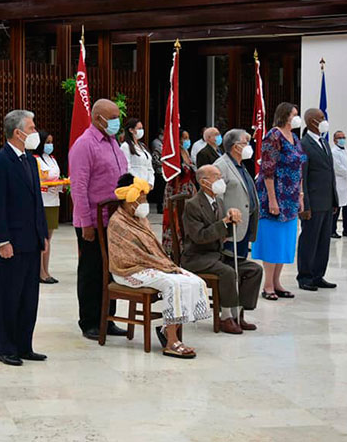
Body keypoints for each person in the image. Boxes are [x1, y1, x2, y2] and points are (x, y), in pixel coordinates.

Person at [109, 174, 210, 358]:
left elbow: (152, 249)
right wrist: (159, 264)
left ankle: (166, 328)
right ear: (128, 200)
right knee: (171, 284)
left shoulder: (140, 219)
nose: (144, 203)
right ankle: (172, 341)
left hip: (150, 265)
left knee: (193, 281)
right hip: (128, 270)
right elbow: (127, 256)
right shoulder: (118, 223)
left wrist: (162, 264)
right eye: (141, 199)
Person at [0, 110, 49, 366]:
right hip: (11, 242)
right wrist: (2, 240)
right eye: (32, 128)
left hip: (31, 240)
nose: (35, 133)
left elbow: (37, 202)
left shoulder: (30, 160)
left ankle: (25, 345)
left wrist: (42, 234)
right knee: (9, 296)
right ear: (18, 132)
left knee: (28, 297)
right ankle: (6, 348)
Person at [69, 98, 128, 341]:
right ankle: (90, 321)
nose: (116, 122)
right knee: (92, 272)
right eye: (112, 117)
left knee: (110, 272)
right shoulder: (85, 145)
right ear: (97, 118)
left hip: (115, 220)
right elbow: (79, 187)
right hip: (94, 220)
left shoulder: (113, 142)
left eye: (117, 117)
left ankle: (108, 318)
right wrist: (86, 224)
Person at [182, 165, 262, 334]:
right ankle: (225, 317)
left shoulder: (218, 200)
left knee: (253, 269)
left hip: (217, 254)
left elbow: (223, 230)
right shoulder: (193, 205)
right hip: (198, 257)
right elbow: (199, 237)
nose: (220, 181)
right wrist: (224, 223)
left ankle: (238, 312)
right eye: (216, 177)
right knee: (227, 272)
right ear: (204, 182)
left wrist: (232, 218)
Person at [251, 102, 306, 301]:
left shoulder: (295, 138)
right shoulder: (273, 136)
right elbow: (267, 170)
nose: (297, 118)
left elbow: (299, 167)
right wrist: (273, 200)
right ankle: (267, 285)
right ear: (285, 116)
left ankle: (277, 282)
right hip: (274, 195)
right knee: (273, 241)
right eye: (294, 114)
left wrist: (300, 195)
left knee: (285, 241)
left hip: (291, 196)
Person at [297, 109, 338, 292]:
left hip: (327, 201)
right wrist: (304, 204)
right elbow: (302, 176)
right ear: (312, 121)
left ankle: (318, 275)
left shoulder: (324, 142)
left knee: (323, 241)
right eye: (321, 118)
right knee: (309, 240)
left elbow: (330, 174)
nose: (324, 120)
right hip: (312, 201)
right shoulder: (304, 144)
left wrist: (334, 200)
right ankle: (305, 276)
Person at [214, 129, 258, 259]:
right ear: (236, 147)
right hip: (231, 228)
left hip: (244, 224)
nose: (248, 146)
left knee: (242, 261)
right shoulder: (221, 166)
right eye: (245, 143)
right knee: (231, 263)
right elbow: (217, 199)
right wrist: (222, 228)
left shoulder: (240, 165)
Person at [34, 130, 62, 284]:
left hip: (54, 200)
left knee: (49, 238)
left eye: (51, 142)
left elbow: (56, 177)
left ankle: (46, 269)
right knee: (42, 238)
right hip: (43, 201)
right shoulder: (36, 159)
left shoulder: (52, 159)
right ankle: (40, 272)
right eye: (47, 142)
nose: (49, 145)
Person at [162, 129, 197, 253]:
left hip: (188, 189)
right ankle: (173, 249)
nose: (187, 140)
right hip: (175, 190)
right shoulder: (174, 153)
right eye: (184, 137)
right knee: (175, 219)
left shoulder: (186, 151)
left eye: (188, 137)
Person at [120, 118, 155, 189]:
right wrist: (138, 183)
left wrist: (150, 183)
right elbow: (127, 167)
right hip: (134, 186)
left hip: (146, 187)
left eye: (142, 128)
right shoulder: (125, 146)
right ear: (131, 130)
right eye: (139, 128)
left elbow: (150, 168)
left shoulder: (143, 146)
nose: (141, 131)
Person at [331, 130, 347, 238]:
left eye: (344, 137)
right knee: (337, 208)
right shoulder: (334, 152)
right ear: (334, 140)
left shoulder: (346, 151)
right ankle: (332, 230)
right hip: (339, 182)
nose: (342, 140)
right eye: (340, 138)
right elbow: (338, 168)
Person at [149, 130, 166, 213]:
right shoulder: (156, 143)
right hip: (158, 170)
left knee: (162, 190)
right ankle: (159, 207)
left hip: (163, 170)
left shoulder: (162, 143)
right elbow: (161, 154)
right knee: (160, 190)